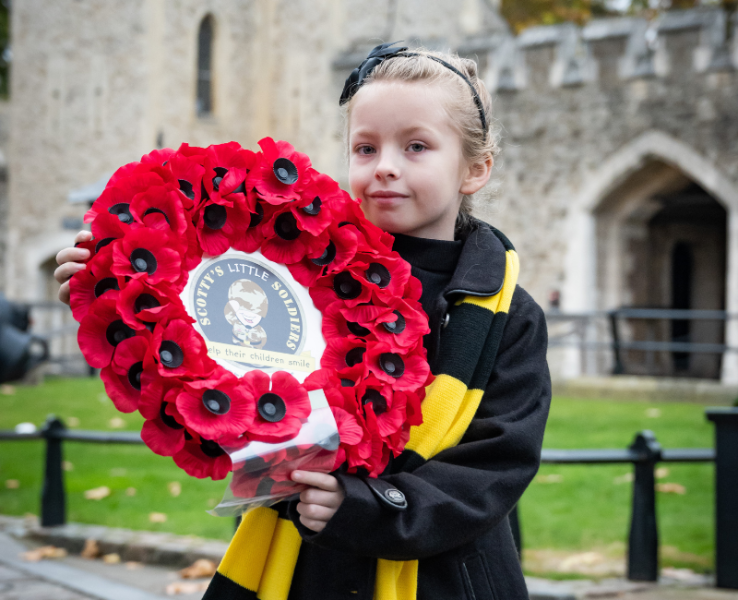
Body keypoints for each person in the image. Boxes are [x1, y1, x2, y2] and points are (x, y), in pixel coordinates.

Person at [55, 43, 550, 600]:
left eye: (416, 146)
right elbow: (224, 389)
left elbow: (497, 464)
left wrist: (372, 506)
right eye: (365, 147)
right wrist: (110, 290)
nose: (385, 165)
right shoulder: (301, 272)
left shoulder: (510, 317)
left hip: (447, 578)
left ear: (475, 169)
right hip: (304, 567)